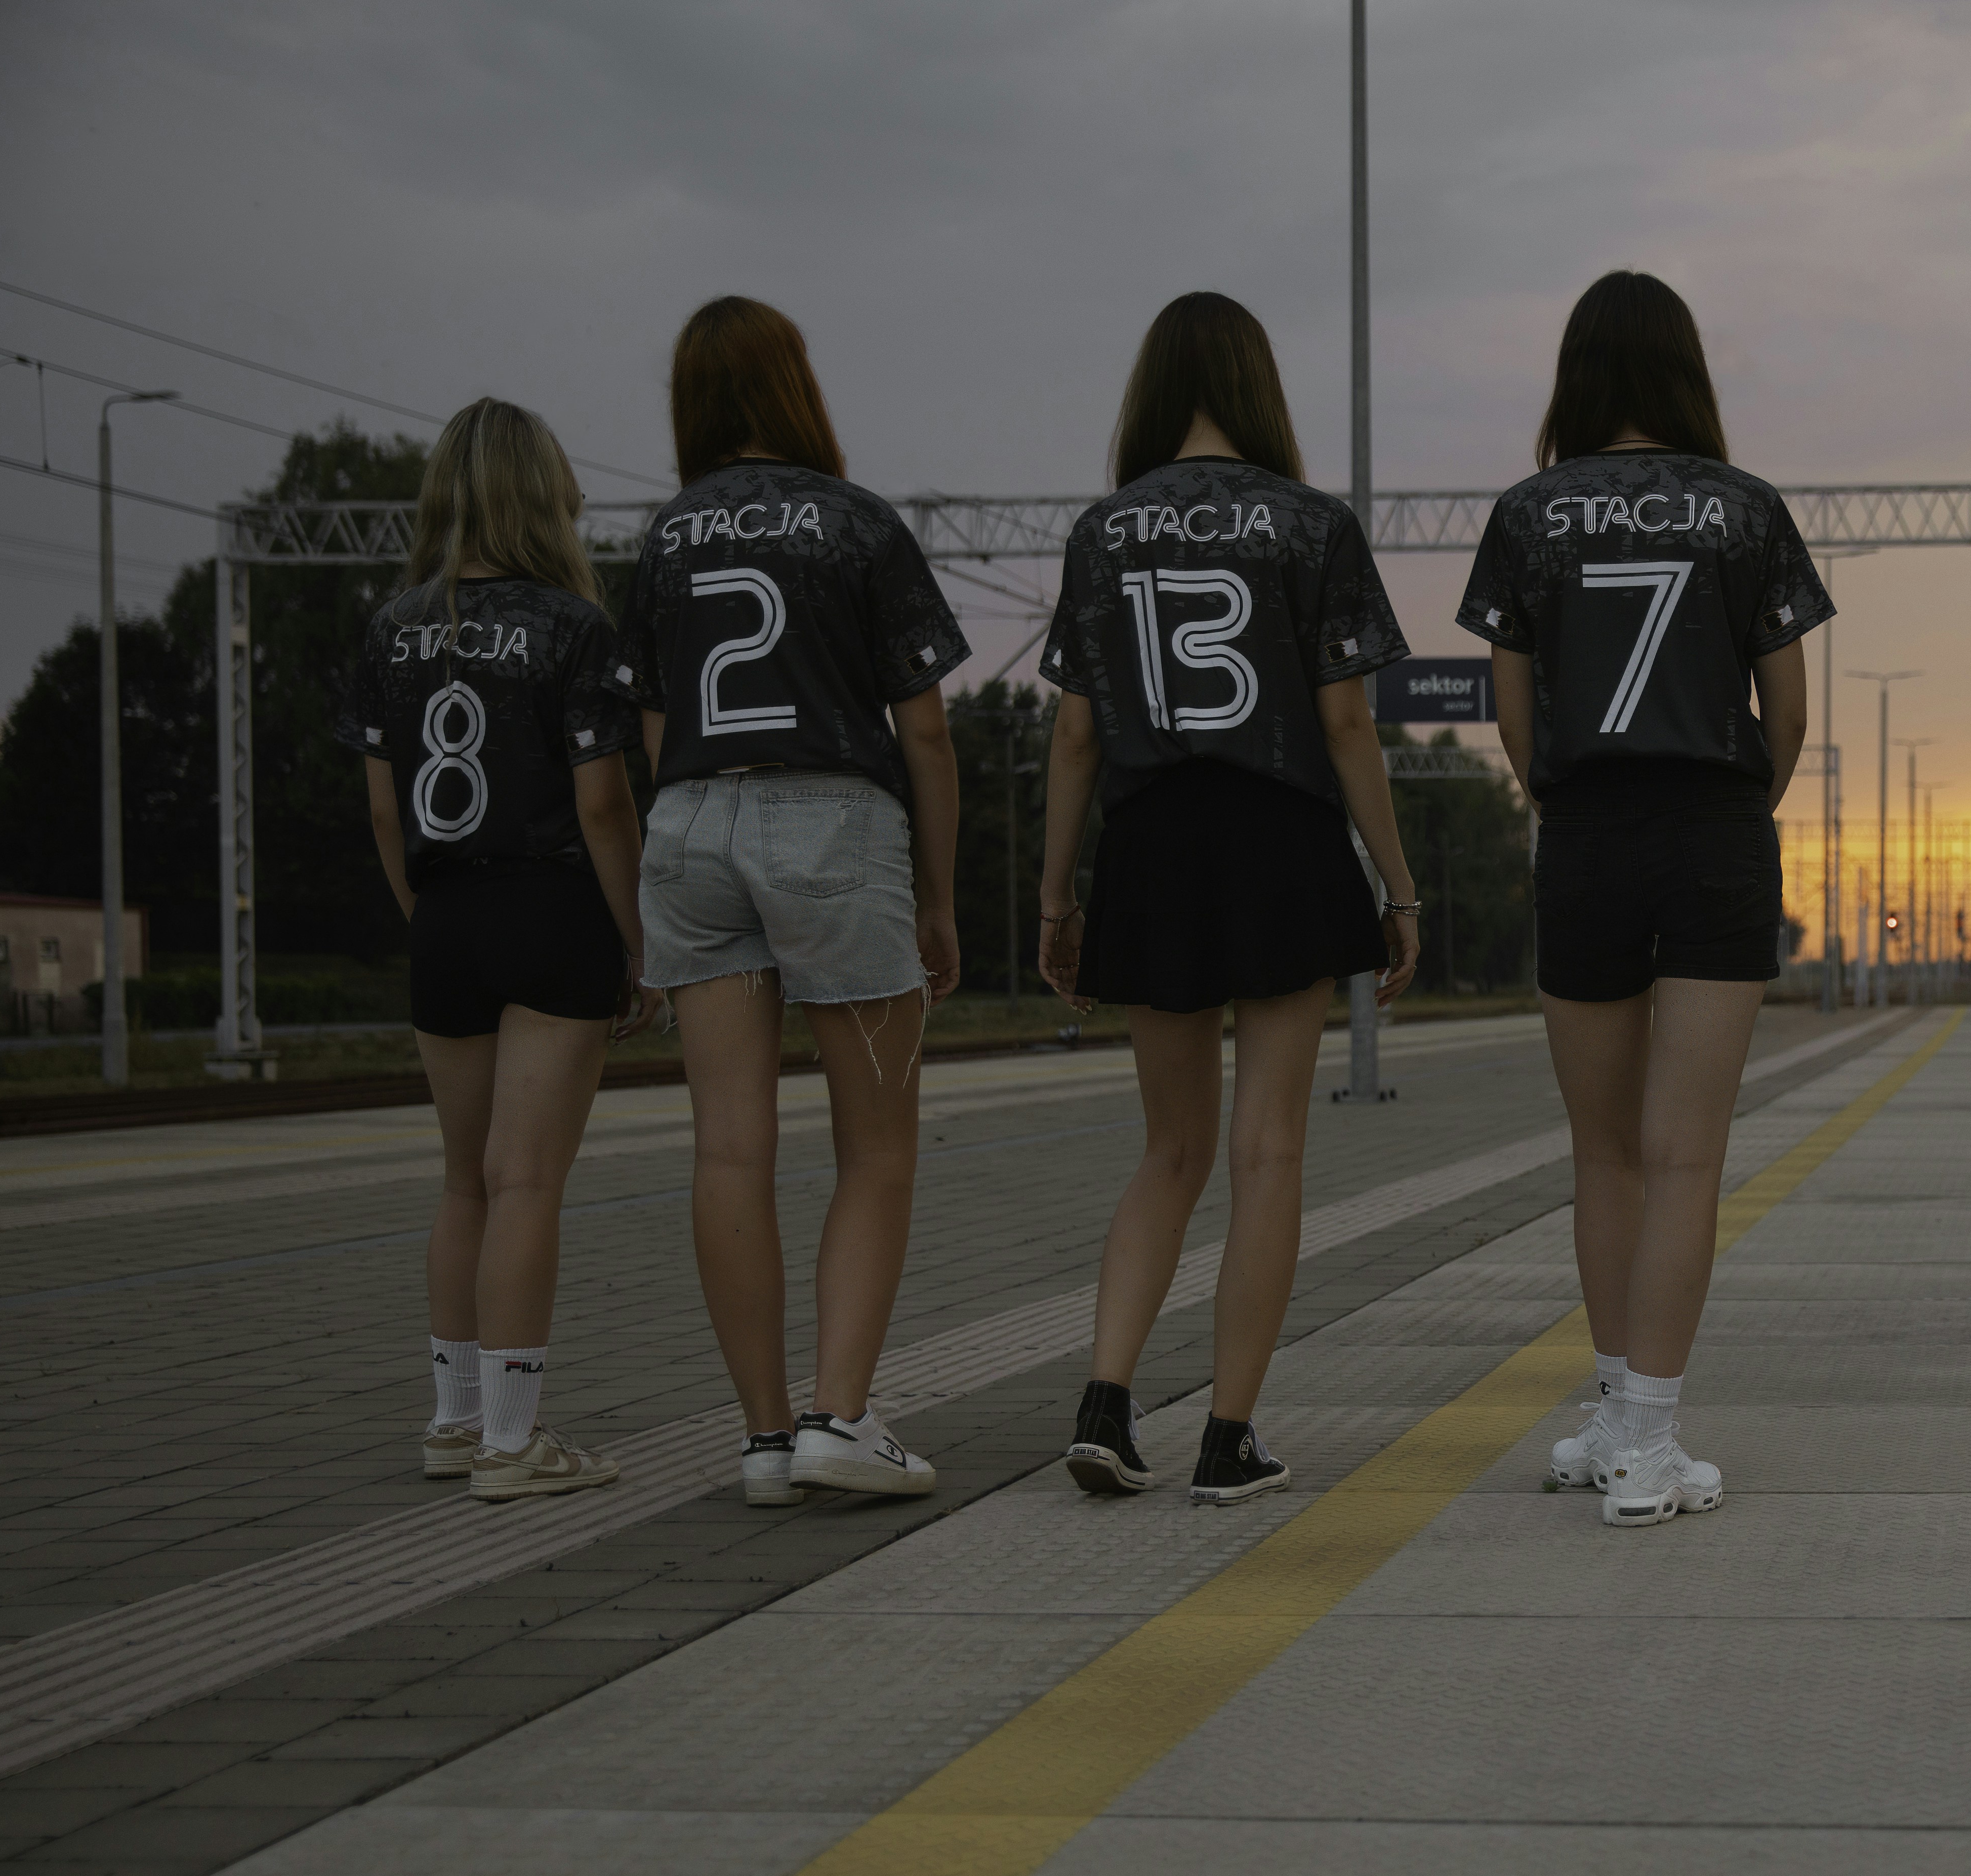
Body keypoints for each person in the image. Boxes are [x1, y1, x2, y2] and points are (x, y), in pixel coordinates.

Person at [1457, 271, 1828, 1527]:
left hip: (1585, 831)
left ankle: (1613, 1411)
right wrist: (1739, 813)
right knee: (1687, 1157)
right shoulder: (1746, 511)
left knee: (1604, 1151)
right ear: (1686, 372)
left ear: (1576, 374)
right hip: (1715, 830)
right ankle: (1648, 1444)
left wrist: (1560, 803)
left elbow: (1510, 705)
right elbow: (1790, 710)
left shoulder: (1527, 515)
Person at [1035, 291, 1418, 1505]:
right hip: (1281, 836)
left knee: (1169, 1149)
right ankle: (1226, 1436)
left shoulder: (1103, 533)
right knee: (1267, 1151)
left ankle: (1105, 1401)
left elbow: (1078, 734)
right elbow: (1348, 719)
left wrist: (1057, 895)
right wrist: (1397, 885)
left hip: (1152, 844)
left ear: (1152, 389)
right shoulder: (1312, 526)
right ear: (1258, 387)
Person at [619, 297, 966, 1506]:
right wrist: (937, 892)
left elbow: (652, 727)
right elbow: (923, 730)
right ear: (796, 387)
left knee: (729, 1149)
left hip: (689, 823)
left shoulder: (663, 540)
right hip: (831, 821)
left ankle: (765, 1440)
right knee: (875, 1150)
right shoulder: (855, 525)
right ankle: (840, 1415)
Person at [341, 398, 648, 1502]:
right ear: (545, 496)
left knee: (463, 1181)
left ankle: (453, 1422)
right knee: (527, 1183)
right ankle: (519, 1444)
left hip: (446, 921)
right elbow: (604, 807)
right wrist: (639, 942)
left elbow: (384, 814)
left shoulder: (390, 627)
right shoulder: (573, 627)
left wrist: (427, 917)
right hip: (551, 910)